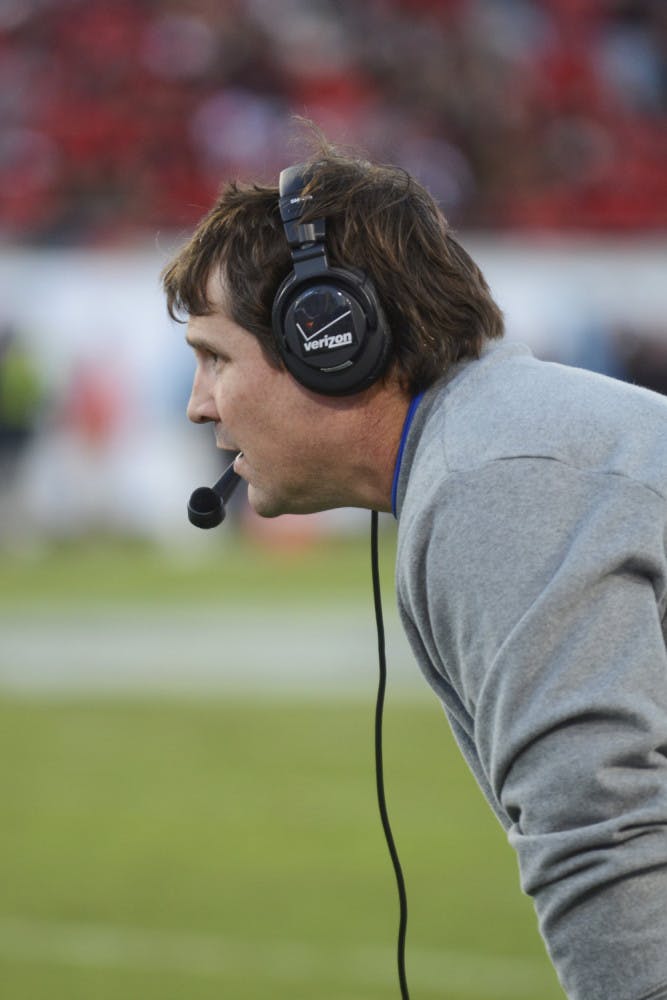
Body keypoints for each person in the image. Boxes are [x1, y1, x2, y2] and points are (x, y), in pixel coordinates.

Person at [162, 131, 667, 1000]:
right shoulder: (498, 445)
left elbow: (602, 833)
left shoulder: (494, 482)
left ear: (330, 339)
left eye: (215, 356)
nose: (198, 403)